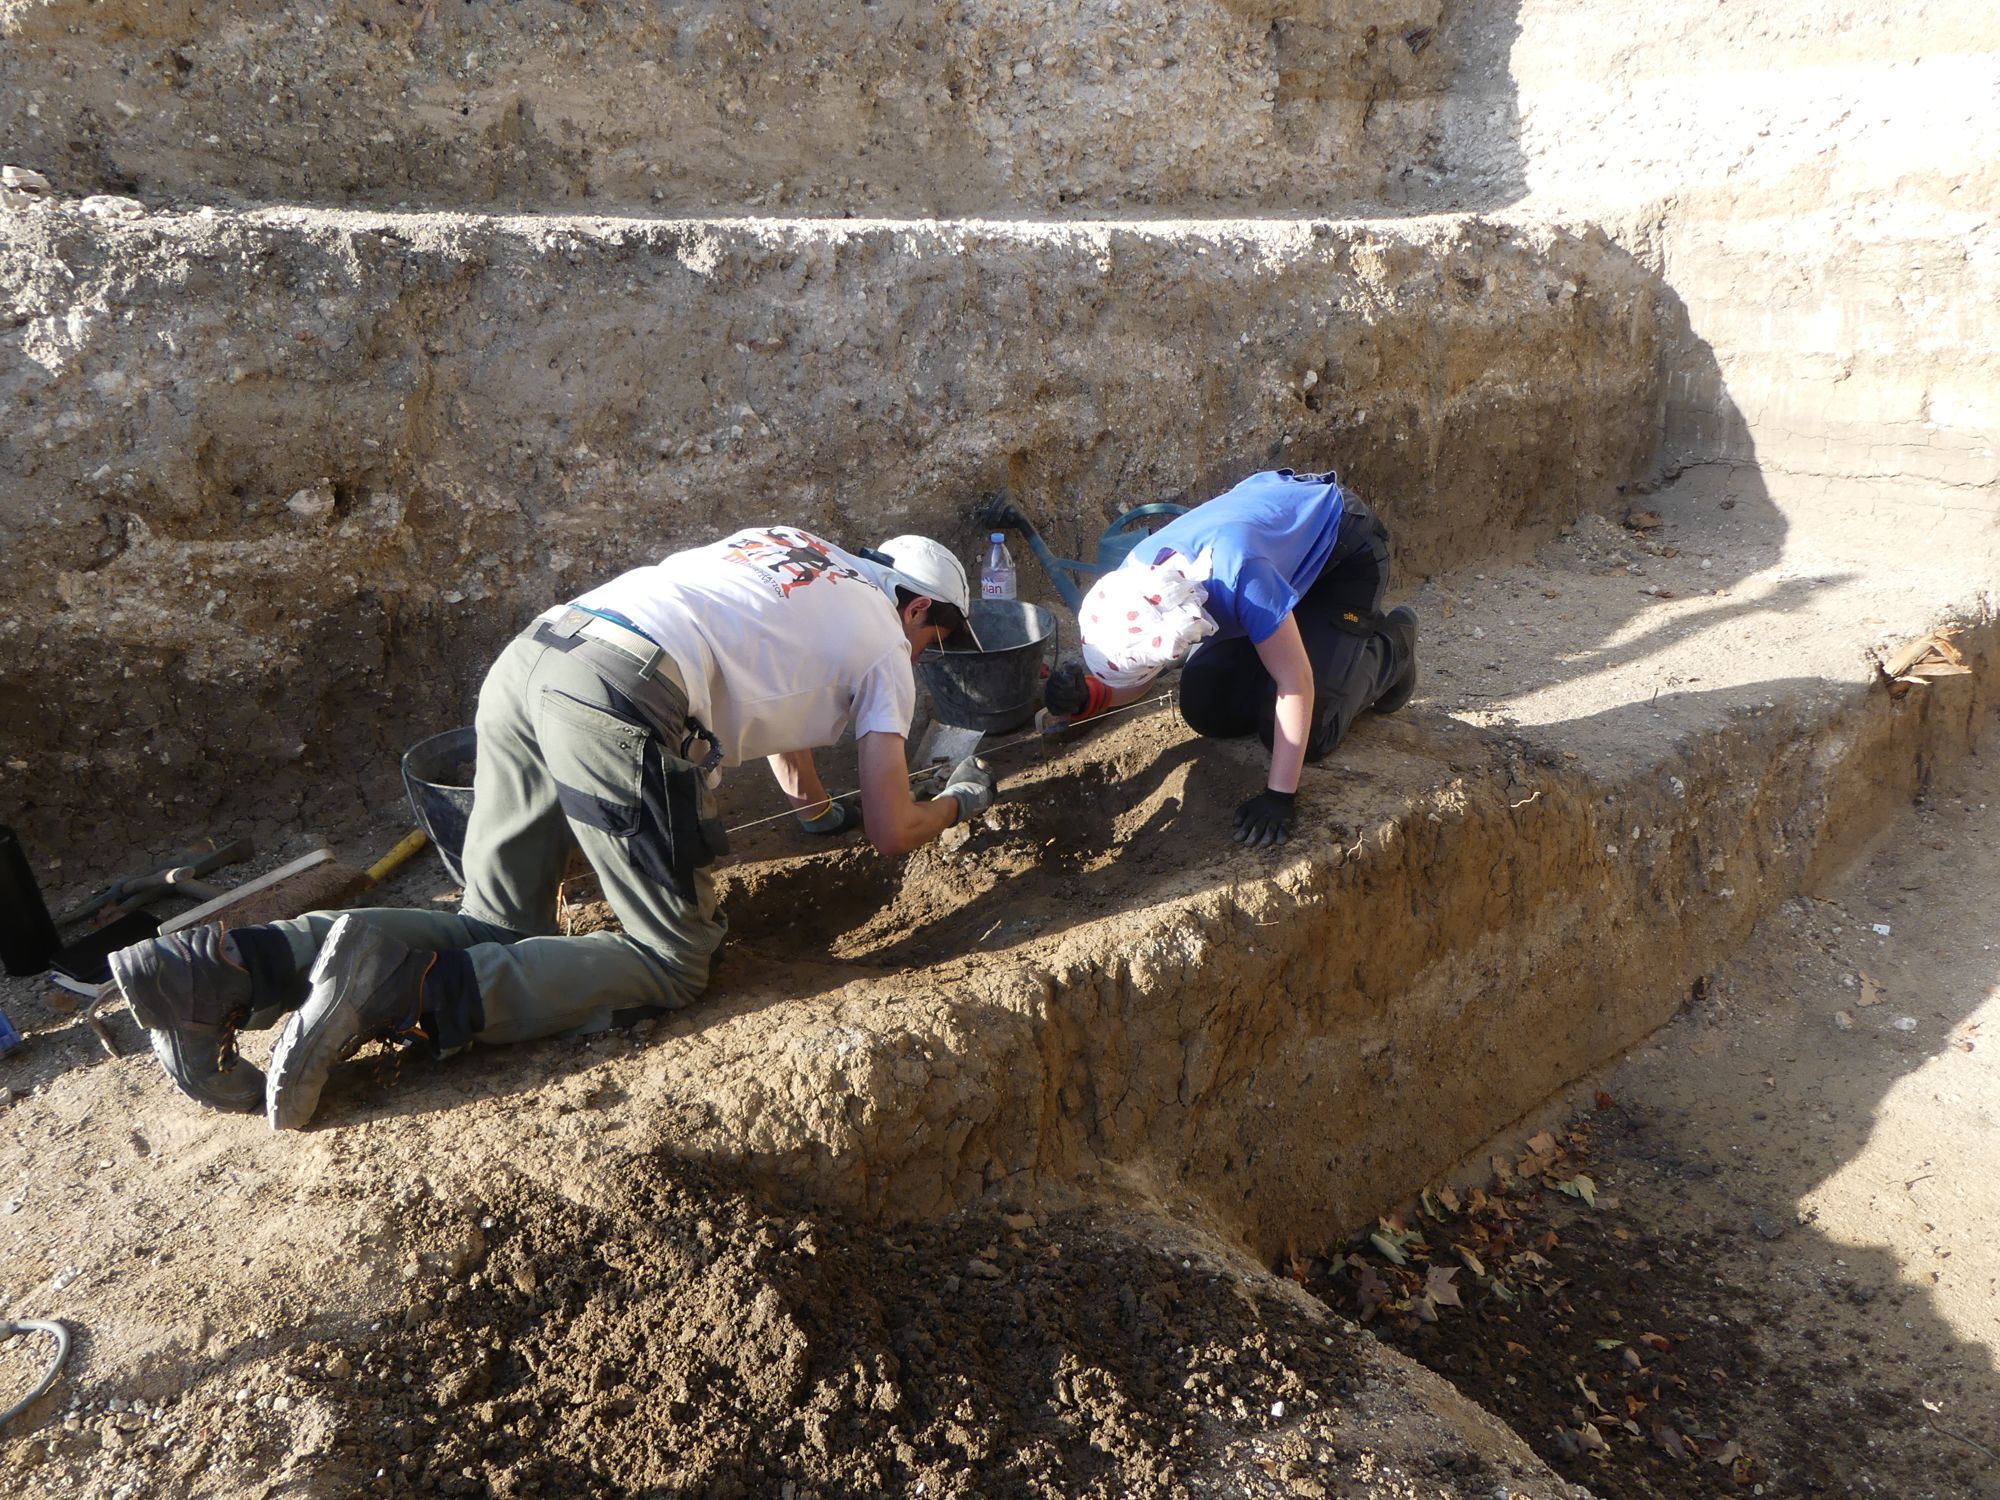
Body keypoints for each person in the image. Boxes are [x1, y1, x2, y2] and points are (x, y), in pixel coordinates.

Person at [109, 526, 997, 1129]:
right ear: (922, 611)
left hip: (537, 656)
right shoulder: (888, 643)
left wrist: (815, 810)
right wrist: (962, 797)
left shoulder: (795, 550)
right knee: (672, 957)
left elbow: (774, 702)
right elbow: (893, 827)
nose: (922, 657)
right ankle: (394, 989)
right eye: (934, 642)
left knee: (501, 928)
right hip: (622, 691)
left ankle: (219, 970)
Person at [1045, 468, 1416, 847]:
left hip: (1343, 555)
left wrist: (1279, 796)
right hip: (1275, 560)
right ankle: (1300, 637)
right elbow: (1141, 674)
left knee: (1313, 733)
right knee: (1205, 703)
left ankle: (1393, 644)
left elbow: (1295, 682)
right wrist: (1090, 698)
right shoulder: (1135, 583)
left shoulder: (1240, 574)